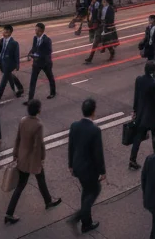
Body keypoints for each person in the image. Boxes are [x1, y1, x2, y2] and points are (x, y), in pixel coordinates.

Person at [4, 99, 62, 224]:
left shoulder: (23, 121)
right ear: (38, 110)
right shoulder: (38, 125)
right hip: (32, 160)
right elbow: (39, 145)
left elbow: (18, 138)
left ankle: (47, 201)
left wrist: (15, 154)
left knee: (23, 185)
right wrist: (42, 159)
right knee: (37, 179)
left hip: (22, 157)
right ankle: (10, 213)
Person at [67, 98, 106, 234]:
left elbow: (70, 146)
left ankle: (86, 223)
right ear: (93, 112)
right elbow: (98, 153)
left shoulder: (74, 125)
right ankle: (77, 217)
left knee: (86, 191)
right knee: (95, 190)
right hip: (89, 169)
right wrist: (102, 171)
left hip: (77, 166)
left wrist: (70, 164)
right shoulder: (95, 130)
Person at [130, 61, 155, 168]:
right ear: (153, 71)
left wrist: (135, 111)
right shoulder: (153, 84)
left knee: (138, 137)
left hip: (141, 113)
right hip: (151, 115)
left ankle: (132, 159)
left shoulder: (139, 80)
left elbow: (136, 97)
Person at [26, 23, 56, 102]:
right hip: (36, 63)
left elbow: (49, 51)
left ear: (42, 31)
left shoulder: (47, 40)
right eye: (35, 30)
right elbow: (34, 48)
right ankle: (30, 99)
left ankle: (53, 92)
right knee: (33, 81)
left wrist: (38, 55)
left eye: (38, 30)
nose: (36, 32)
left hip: (46, 63)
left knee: (50, 78)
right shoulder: (35, 38)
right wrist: (30, 53)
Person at [0, 24, 24, 101]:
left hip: (9, 65)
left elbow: (16, 54)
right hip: (1, 63)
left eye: (7, 32)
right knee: (10, 77)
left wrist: (17, 65)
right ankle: (19, 89)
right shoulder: (0, 41)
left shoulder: (14, 43)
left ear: (10, 33)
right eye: (4, 31)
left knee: (3, 83)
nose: (4, 33)